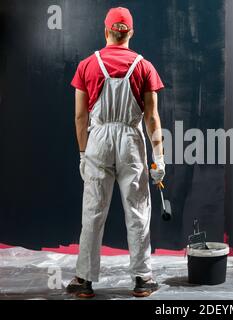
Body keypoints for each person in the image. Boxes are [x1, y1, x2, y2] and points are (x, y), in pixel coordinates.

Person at [66, 7, 165, 298]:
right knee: (137, 211)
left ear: (106, 30)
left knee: (93, 212)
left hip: (98, 140)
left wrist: (83, 153)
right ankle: (143, 279)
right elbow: (152, 118)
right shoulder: (144, 66)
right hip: (130, 141)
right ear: (130, 32)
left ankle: (84, 281)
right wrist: (159, 158)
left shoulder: (87, 65)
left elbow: (80, 117)